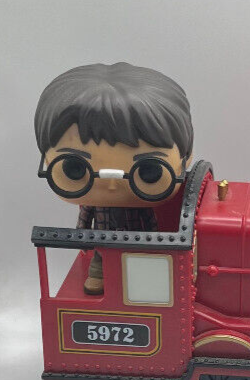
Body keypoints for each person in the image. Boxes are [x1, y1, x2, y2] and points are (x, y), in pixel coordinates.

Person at [35, 62, 194, 294]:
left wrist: (154, 240)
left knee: (139, 266)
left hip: (138, 241)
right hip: (102, 241)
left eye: (149, 170)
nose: (111, 185)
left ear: (185, 159)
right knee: (100, 261)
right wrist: (82, 238)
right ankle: (99, 275)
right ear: (47, 162)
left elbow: (150, 222)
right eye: (74, 168)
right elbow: (85, 217)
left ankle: (140, 281)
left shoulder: (142, 207)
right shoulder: (92, 204)